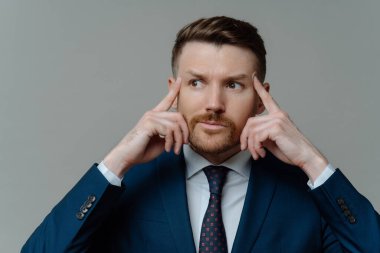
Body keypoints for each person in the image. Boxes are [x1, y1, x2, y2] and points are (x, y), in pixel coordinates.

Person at [22, 16, 379, 253]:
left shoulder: (307, 196)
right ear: (173, 90)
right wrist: (115, 161)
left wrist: (313, 163)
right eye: (196, 82)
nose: (213, 103)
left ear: (260, 99)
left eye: (234, 85)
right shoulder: (124, 188)